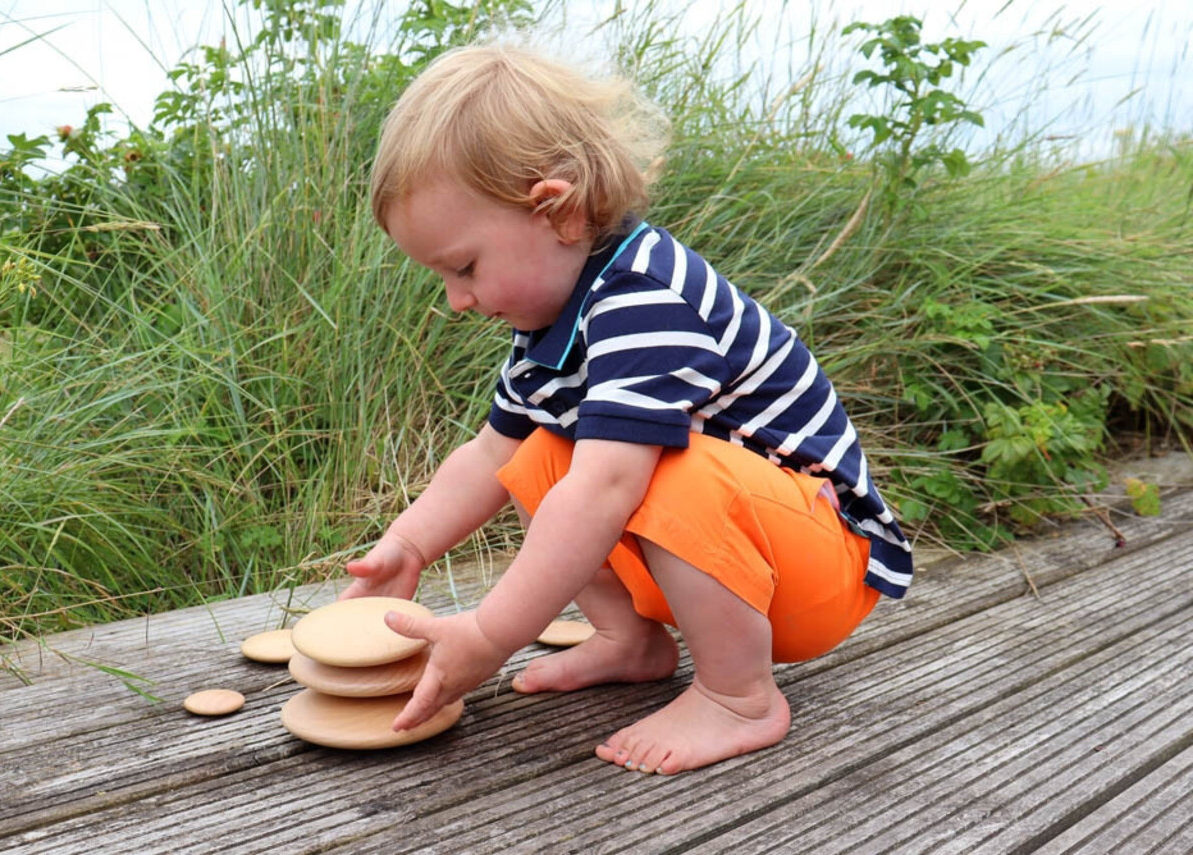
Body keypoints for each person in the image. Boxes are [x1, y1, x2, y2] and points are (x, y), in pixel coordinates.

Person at [341, 40, 913, 776]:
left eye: (465, 267)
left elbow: (609, 486)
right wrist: (410, 543)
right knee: (538, 455)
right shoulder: (550, 328)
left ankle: (740, 695)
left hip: (818, 568)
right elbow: (489, 454)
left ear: (560, 211)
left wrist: (489, 633)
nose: (456, 300)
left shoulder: (647, 296)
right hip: (737, 565)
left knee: (653, 467)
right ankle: (630, 641)